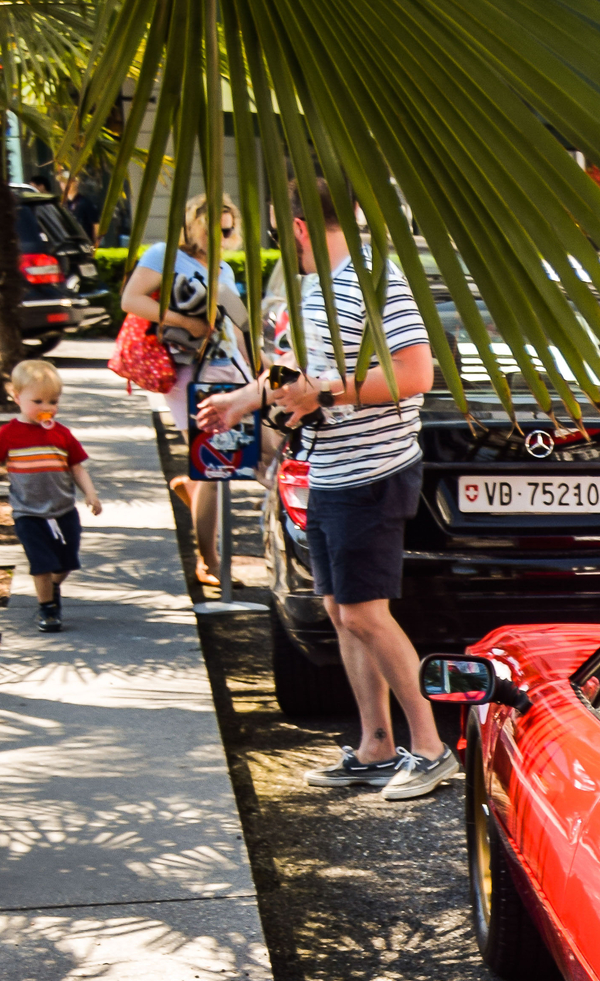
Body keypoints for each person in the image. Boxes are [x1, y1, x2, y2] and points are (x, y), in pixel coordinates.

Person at [198, 179, 453, 803]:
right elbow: (293, 372)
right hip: (329, 468)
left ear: (302, 227)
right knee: (340, 611)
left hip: (372, 469)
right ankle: (375, 746)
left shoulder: (377, 283)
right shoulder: (313, 287)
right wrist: (238, 401)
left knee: (365, 611)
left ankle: (431, 749)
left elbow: (417, 373)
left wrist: (327, 394)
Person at [121, 193, 249, 589]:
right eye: (214, 225)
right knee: (214, 468)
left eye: (228, 227)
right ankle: (208, 562)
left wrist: (254, 373)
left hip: (225, 369)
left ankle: (190, 491)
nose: (222, 234)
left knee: (215, 464)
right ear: (194, 223)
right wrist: (186, 322)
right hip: (186, 370)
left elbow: (235, 328)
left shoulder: (223, 269)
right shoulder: (165, 255)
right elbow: (131, 299)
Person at [0, 360, 104, 634]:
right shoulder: (9, 434)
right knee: (41, 563)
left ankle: (52, 587)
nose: (46, 407)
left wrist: (91, 493)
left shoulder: (62, 434)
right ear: (17, 398)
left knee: (66, 562)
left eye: (53, 401)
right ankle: (48, 608)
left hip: (63, 510)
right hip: (28, 513)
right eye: (37, 401)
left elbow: (77, 467)